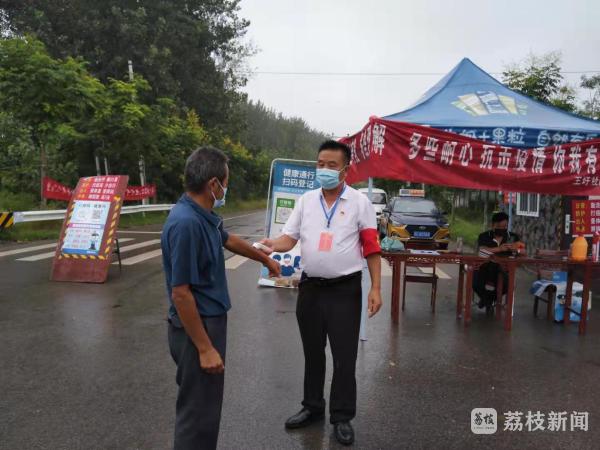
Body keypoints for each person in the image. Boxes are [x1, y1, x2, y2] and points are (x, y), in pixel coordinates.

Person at [259, 140, 382, 446]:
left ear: (345, 170)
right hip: (311, 288)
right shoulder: (307, 201)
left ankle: (342, 416)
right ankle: (312, 407)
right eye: (320, 164)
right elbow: (289, 238)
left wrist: (376, 288)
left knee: (344, 356)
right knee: (313, 353)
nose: (324, 170)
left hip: (345, 290)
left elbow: (371, 247)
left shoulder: (359, 202)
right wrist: (273, 245)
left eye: (331, 165)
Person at [161, 147, 281, 450]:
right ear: (213, 184)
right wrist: (205, 348)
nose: (227, 189)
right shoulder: (186, 223)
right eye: (226, 183)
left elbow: (227, 239)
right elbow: (181, 293)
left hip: (205, 324)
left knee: (205, 408)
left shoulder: (201, 215)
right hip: (197, 329)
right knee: (197, 414)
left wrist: (264, 259)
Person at [473, 211, 526, 311]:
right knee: (475, 282)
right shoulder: (484, 236)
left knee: (508, 285)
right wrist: (499, 249)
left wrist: (516, 249)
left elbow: (523, 251)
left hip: (504, 269)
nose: (502, 229)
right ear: (493, 225)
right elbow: (481, 249)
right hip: (484, 267)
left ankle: (486, 300)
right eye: (499, 226)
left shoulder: (513, 237)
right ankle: (488, 300)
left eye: (504, 226)